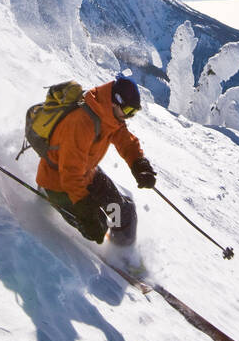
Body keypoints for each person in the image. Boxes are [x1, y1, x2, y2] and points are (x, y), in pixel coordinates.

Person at [36, 76, 155, 248]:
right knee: (98, 225)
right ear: (115, 102)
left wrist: (139, 164)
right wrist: (85, 211)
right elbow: (69, 172)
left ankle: (124, 256)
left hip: (86, 173)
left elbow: (125, 139)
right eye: (128, 110)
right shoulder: (81, 122)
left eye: (133, 113)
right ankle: (47, 196)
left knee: (123, 212)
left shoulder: (110, 115)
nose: (129, 117)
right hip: (59, 183)